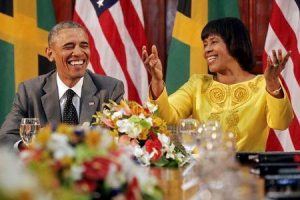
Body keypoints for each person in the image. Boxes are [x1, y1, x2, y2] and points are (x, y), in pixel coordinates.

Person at [142, 17, 293, 152]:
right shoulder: (197, 84)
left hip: (247, 175)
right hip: (203, 175)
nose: (207, 50)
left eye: (213, 42)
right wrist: (156, 81)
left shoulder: (262, 84)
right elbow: (165, 119)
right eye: (205, 44)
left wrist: (272, 83)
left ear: (235, 43)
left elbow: (281, 123)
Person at [0, 21, 124, 149]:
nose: (78, 52)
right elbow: (6, 137)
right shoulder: (30, 91)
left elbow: (124, 137)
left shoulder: (110, 89)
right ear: (50, 54)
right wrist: (32, 146)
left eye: (84, 45)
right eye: (69, 46)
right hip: (45, 167)